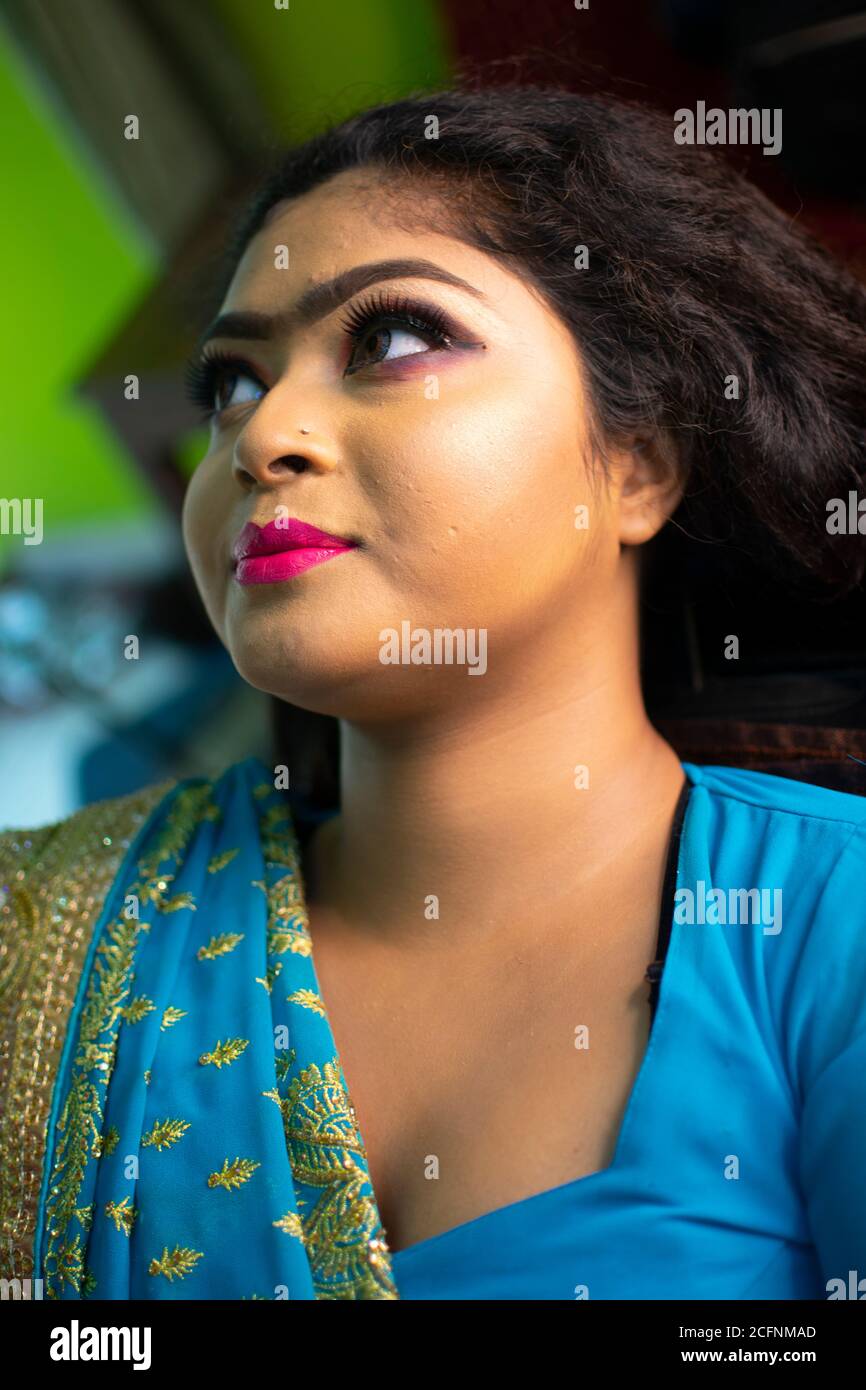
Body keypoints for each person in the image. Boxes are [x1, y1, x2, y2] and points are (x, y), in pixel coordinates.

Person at [1, 83, 865, 1302]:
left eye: (393, 339)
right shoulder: (39, 935)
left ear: (638, 463)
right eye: (231, 385)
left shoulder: (829, 928)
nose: (259, 438)